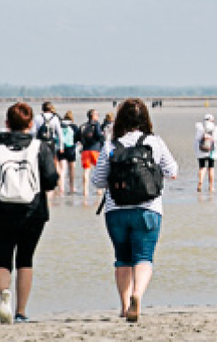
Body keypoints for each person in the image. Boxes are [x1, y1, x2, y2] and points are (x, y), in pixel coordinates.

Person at [0, 102, 60, 324]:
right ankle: (20, 312)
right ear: (31, 124)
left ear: (7, 123)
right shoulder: (40, 146)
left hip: (1, 209)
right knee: (25, 261)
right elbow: (50, 180)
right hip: (33, 211)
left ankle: (4, 294)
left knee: (2, 259)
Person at [91, 97, 179, 322]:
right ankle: (137, 295)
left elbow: (98, 181)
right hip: (148, 209)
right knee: (143, 257)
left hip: (116, 211)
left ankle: (124, 305)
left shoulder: (112, 144)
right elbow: (173, 171)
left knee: (122, 259)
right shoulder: (154, 142)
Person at [33, 103, 65, 195]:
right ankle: (59, 187)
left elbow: (33, 132)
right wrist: (61, 147)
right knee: (54, 165)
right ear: (51, 109)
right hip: (51, 144)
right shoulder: (55, 118)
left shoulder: (37, 118)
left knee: (39, 165)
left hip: (40, 144)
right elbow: (59, 134)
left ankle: (40, 186)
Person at [81, 109, 107, 198]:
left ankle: (85, 191)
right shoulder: (96, 124)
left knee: (86, 171)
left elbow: (77, 136)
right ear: (93, 116)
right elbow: (99, 135)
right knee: (98, 169)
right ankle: (99, 191)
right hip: (95, 150)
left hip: (85, 150)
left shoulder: (84, 125)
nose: (98, 116)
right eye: (97, 114)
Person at [195, 114, 217, 192]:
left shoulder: (200, 128)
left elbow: (196, 141)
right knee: (211, 168)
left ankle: (200, 183)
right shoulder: (216, 129)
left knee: (202, 167)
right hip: (211, 151)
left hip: (201, 151)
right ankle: (211, 186)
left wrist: (197, 152)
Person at [57, 111, 79, 195]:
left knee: (62, 170)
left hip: (61, 149)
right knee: (71, 169)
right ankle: (71, 187)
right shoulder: (73, 126)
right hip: (71, 149)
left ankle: (61, 188)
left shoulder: (60, 125)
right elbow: (77, 138)